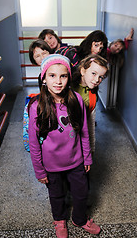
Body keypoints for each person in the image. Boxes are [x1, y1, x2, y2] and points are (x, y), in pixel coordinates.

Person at [28, 54, 101, 238]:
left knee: (81, 193)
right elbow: (34, 142)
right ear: (43, 78)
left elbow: (84, 131)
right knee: (57, 196)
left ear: (69, 77)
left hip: (76, 161)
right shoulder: (37, 106)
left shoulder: (76, 99)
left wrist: (87, 157)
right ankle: (59, 220)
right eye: (52, 76)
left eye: (63, 76)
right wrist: (39, 170)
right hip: (51, 165)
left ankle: (79, 219)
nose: (58, 81)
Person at [72, 54, 108, 154]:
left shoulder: (92, 96)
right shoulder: (68, 87)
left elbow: (90, 122)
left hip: (78, 136)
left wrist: (91, 147)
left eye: (101, 77)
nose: (97, 80)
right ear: (83, 71)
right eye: (93, 73)